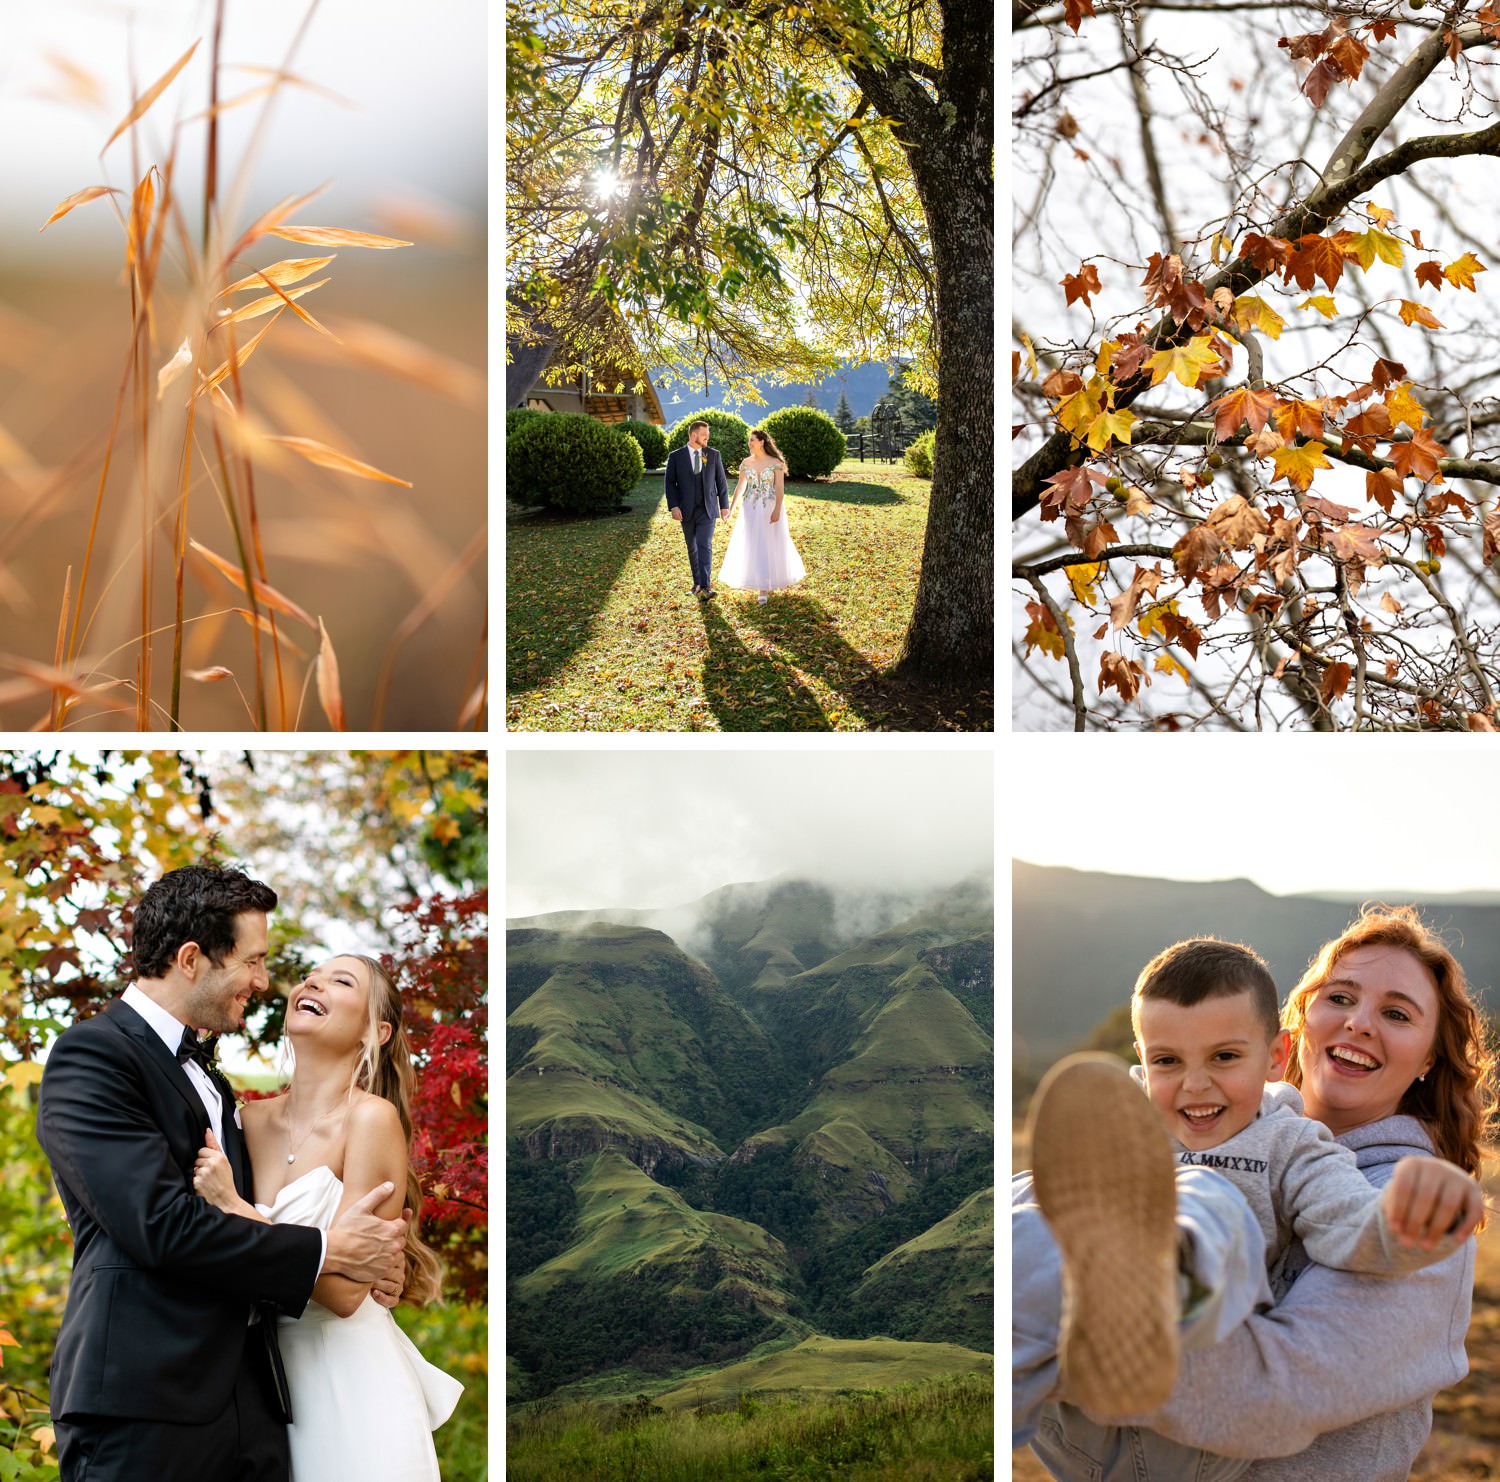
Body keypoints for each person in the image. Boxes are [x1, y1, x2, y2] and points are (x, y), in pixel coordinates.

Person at [1014, 907, 1498, 1482]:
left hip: (1201, 1448)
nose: (1360, 1024)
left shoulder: (1377, 1182)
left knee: (1208, 1199)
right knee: (1024, 1207)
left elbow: (1273, 1394)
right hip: (1092, 1450)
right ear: (1295, 1033)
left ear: (1428, 1059)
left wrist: (1414, 1224)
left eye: (1395, 1013)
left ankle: (1165, 1276)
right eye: (1340, 998)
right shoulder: (1190, 1112)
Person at [36, 865, 408, 1482]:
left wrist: (387, 1261)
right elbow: (161, 1225)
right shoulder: (94, 1055)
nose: (265, 982)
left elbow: (270, 1208)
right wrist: (326, 1252)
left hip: (258, 1407)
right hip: (145, 1400)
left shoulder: (211, 1079)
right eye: (252, 961)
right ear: (191, 958)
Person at [191, 952, 462, 1480]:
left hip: (352, 1384)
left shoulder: (372, 1120)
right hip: (257, 1388)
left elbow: (343, 1294)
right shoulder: (244, 1122)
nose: (312, 982)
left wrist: (238, 1210)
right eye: (312, 974)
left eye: (341, 981)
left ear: (375, 1032)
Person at [719, 427, 806, 602]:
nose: (749, 443)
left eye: (752, 440)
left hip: (770, 507)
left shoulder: (776, 462)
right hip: (750, 508)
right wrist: (731, 508)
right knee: (753, 543)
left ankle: (764, 588)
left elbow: (780, 488)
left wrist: (777, 509)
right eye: (749, 440)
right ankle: (753, 579)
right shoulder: (746, 463)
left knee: (768, 542)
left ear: (761, 442)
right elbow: (740, 487)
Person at [663, 419, 730, 597]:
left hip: (708, 509)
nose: (707, 438)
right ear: (694, 435)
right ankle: (697, 584)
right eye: (704, 435)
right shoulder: (676, 456)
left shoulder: (713, 454)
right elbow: (670, 483)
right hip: (686, 510)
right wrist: (674, 506)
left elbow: (721, 483)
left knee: (704, 544)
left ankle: (706, 586)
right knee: (692, 546)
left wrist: (724, 506)